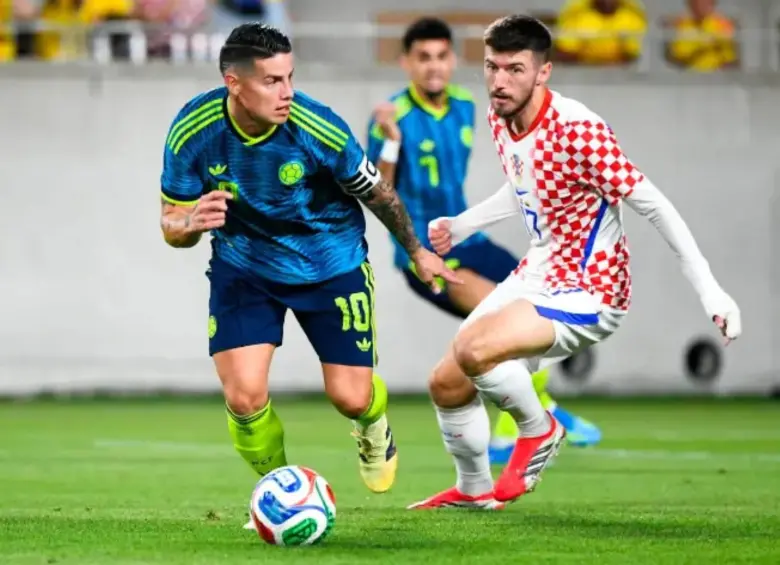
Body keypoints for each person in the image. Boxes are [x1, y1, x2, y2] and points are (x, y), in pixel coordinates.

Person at [408, 14, 741, 510]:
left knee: (476, 350)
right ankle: (475, 491)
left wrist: (709, 287)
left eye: (515, 69)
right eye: (492, 67)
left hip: (592, 287)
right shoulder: (502, 113)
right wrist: (464, 225)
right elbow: (524, 185)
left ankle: (540, 429)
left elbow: (652, 203)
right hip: (539, 272)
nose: (500, 82)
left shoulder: (578, 128)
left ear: (544, 72)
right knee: (446, 380)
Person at [157, 22, 459, 527]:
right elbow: (171, 222)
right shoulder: (193, 131)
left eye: (290, 77)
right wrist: (188, 224)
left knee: (351, 396)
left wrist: (417, 250)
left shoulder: (317, 127)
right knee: (244, 397)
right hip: (245, 267)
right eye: (273, 81)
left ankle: (372, 424)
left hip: (330, 262)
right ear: (234, 83)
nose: (288, 92)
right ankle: (276, 493)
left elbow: (378, 193)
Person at [366, 16, 601, 465]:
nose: (433, 67)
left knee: (546, 300)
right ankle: (518, 430)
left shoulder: (467, 106)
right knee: (503, 327)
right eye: (423, 58)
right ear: (406, 63)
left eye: (440, 56)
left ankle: (533, 415)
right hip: (426, 255)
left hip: (467, 240)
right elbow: (380, 191)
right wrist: (392, 142)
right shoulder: (390, 116)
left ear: (453, 60)